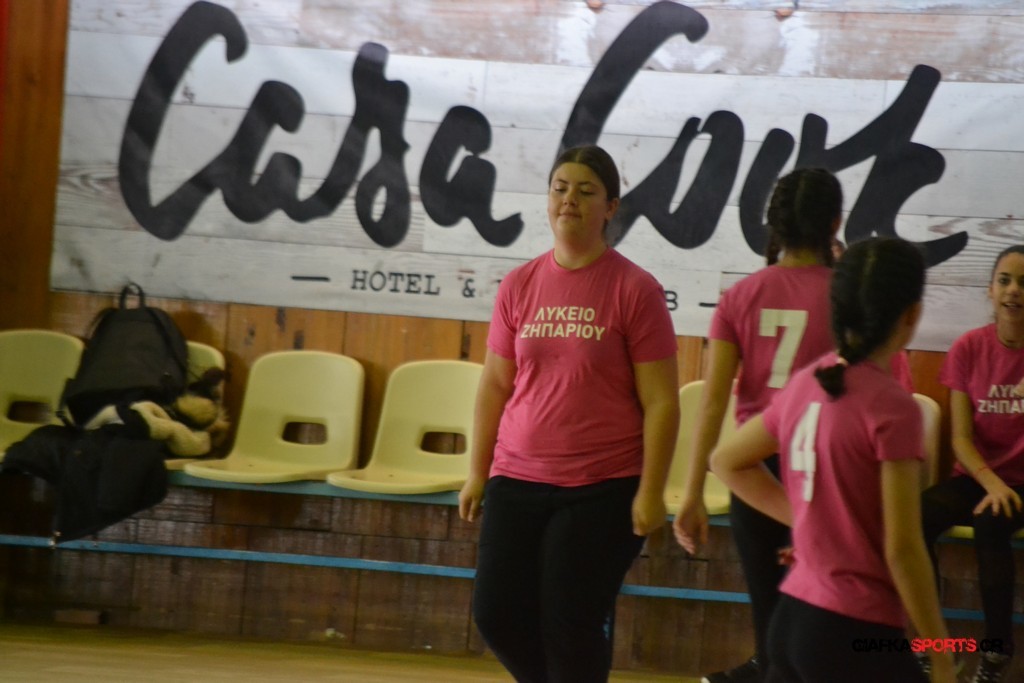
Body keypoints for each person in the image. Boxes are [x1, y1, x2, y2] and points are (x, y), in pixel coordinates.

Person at [458, 144, 680, 682]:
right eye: (559, 188)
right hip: (516, 476)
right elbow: (495, 384)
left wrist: (651, 491)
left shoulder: (635, 289)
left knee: (569, 621)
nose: (569, 200)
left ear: (611, 207)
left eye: (585, 191)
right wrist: (476, 471)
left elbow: (662, 401)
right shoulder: (519, 284)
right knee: (496, 614)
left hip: (602, 485)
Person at [711, 236, 956, 683]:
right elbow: (903, 548)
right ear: (911, 314)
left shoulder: (808, 381)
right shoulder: (893, 407)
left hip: (791, 619)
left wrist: (809, 525)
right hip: (853, 629)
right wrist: (939, 651)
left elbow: (727, 461)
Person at [673, 167, 842, 683]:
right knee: (821, 626)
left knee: (771, 626)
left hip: (753, 471)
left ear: (774, 224)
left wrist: (692, 494)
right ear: (835, 223)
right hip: (823, 471)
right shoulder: (849, 295)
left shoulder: (740, 296)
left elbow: (712, 403)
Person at [921, 245, 1024, 683]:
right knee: (917, 516)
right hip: (978, 476)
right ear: (990, 290)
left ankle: (997, 652)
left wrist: (1004, 489)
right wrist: (991, 483)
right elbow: (960, 438)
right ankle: (933, 644)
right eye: (1005, 280)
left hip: (1023, 483)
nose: (1014, 290)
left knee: (991, 524)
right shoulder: (968, 347)